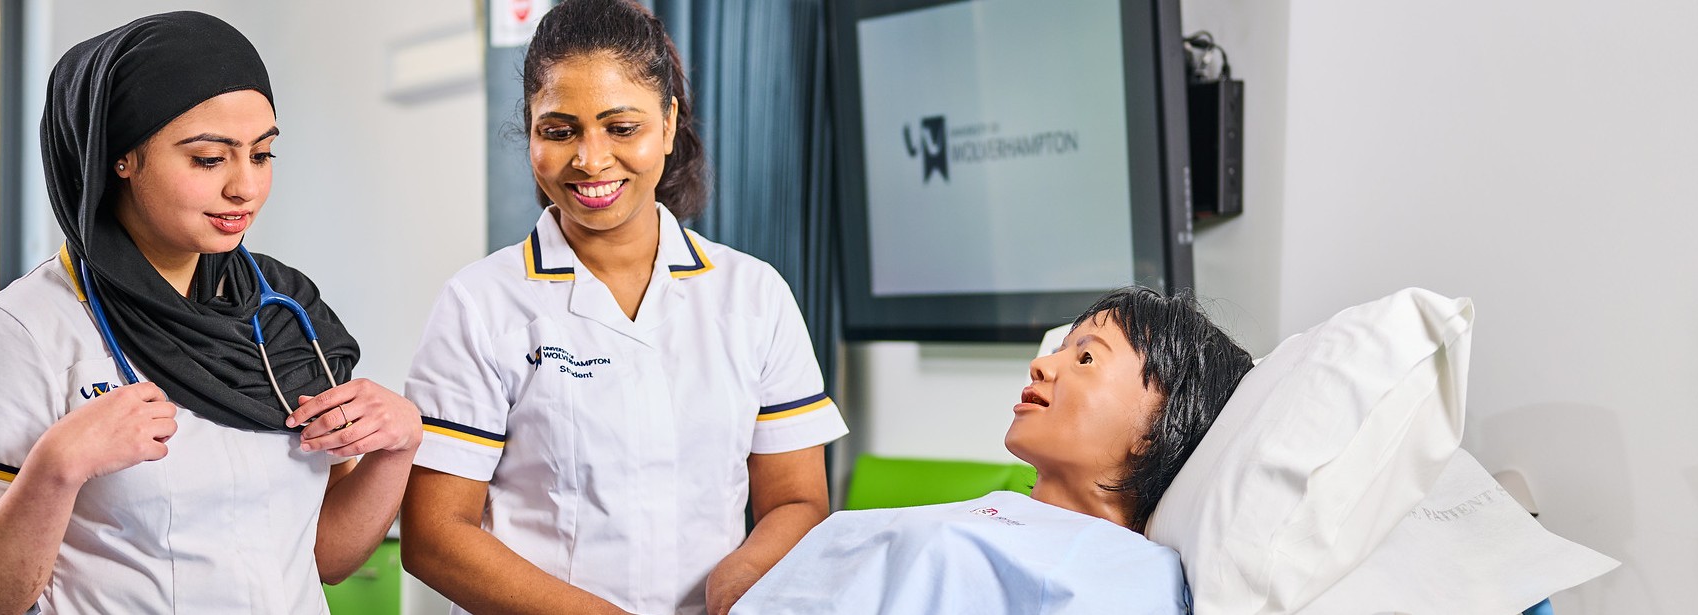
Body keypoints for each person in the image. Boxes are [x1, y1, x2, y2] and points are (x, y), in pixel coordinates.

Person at [0, 12, 421, 614]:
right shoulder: (22, 329)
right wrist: (56, 470)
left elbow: (325, 559)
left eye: (262, 155)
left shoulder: (287, 311)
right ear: (120, 158)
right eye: (210, 159)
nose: (245, 188)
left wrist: (397, 448)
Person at [398, 1, 849, 613]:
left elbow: (797, 502)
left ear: (667, 124)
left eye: (621, 127)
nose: (590, 159)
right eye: (559, 131)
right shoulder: (481, 303)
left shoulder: (753, 294)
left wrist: (739, 576)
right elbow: (434, 537)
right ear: (530, 132)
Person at [731, 287, 1255, 614]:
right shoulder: (999, 514)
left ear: (1157, 427)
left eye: (1087, 358)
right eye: (1058, 350)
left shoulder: (1127, 573)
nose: (1043, 366)